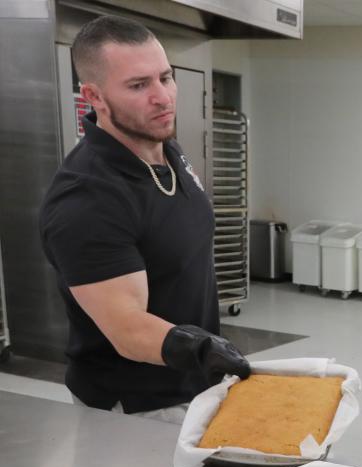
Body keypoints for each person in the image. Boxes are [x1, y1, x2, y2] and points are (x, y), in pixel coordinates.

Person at [39, 15, 249, 420]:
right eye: (139, 85)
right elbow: (130, 331)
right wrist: (203, 349)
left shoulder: (164, 149)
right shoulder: (86, 199)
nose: (163, 97)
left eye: (166, 78)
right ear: (94, 97)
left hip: (192, 383)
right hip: (135, 405)